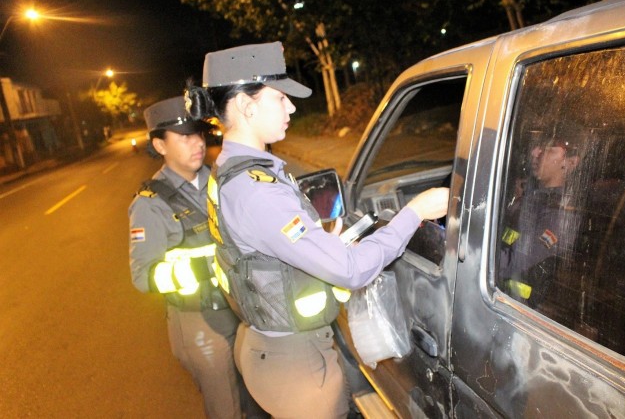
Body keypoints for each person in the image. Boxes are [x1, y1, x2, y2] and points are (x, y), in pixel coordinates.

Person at [185, 41, 449, 418]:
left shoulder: (233, 168)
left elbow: (266, 250)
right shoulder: (256, 190)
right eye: (280, 97)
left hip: (268, 345)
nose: (292, 107)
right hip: (295, 364)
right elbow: (352, 270)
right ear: (247, 105)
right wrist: (414, 211)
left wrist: (320, 244)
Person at [128, 96, 264, 419]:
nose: (197, 143)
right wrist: (198, 268)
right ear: (160, 145)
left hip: (242, 307)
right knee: (227, 409)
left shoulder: (222, 179)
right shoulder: (150, 204)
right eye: (184, 136)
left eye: (199, 134)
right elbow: (142, 274)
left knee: (260, 399)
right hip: (200, 322)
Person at [498, 121, 588, 308]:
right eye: (538, 146)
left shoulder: (559, 214)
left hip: (517, 312)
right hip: (500, 297)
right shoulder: (530, 195)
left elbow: (513, 262)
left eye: (548, 149)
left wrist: (470, 250)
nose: (535, 152)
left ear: (570, 163)